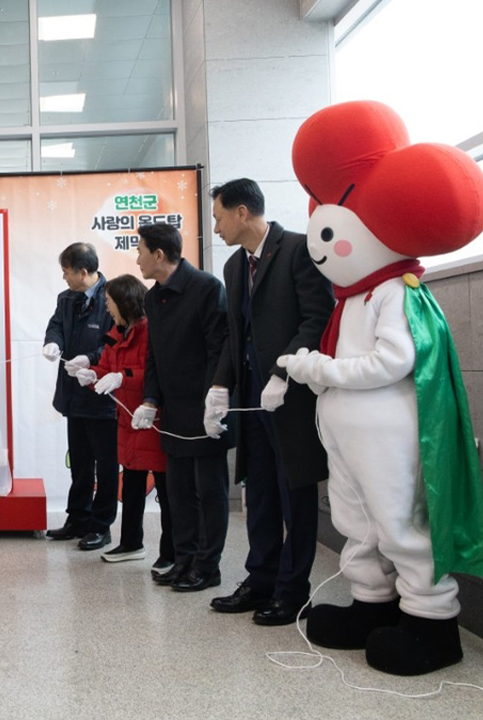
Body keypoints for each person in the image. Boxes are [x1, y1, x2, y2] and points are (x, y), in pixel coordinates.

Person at [204, 178, 334, 626]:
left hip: (291, 397)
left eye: (219, 216)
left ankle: (292, 590)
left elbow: (317, 317)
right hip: (252, 398)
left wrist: (283, 372)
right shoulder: (235, 267)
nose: (216, 227)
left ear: (243, 213)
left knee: (293, 493)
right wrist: (221, 385)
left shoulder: (300, 249)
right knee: (257, 490)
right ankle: (260, 578)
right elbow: (234, 334)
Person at [132, 222, 232, 592]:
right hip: (172, 410)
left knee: (209, 490)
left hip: (205, 408)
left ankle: (208, 567)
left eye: (140, 250)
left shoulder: (206, 288)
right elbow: (154, 354)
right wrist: (149, 399)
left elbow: (218, 349)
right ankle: (185, 559)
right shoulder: (151, 297)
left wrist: (215, 398)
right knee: (178, 492)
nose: (137, 258)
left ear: (159, 254)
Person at [74, 274, 169, 564]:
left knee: (165, 490)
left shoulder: (149, 330)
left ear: (124, 302)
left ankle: (172, 553)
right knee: (131, 484)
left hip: (149, 418)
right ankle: (130, 543)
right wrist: (91, 374)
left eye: (110, 301)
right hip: (126, 420)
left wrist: (122, 378)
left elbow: (152, 373)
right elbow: (106, 369)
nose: (107, 306)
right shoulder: (117, 332)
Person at [42, 242, 118, 551]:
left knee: (106, 464)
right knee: (81, 462)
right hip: (74, 395)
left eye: (67, 272)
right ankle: (78, 519)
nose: (64, 278)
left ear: (83, 272)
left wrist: (90, 358)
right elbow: (56, 325)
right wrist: (53, 343)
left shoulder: (113, 297)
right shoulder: (66, 299)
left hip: (101, 396)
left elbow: (118, 342)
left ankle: (102, 526)